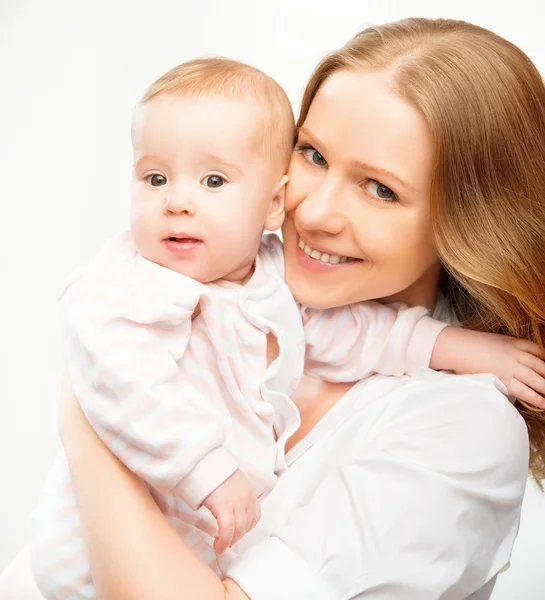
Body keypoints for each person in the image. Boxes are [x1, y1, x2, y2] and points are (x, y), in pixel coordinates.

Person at [2, 16, 545, 600]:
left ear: (467, 223)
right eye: (312, 154)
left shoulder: (463, 429)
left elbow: (371, 337)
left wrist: (85, 413)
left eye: (379, 188)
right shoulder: (227, 284)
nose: (312, 213)